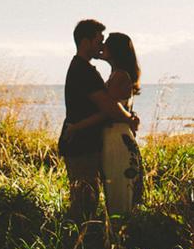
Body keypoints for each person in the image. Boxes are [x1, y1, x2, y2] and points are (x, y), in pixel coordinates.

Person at [59, 19, 138, 219]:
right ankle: (82, 241)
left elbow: (109, 108)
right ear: (86, 42)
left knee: (90, 196)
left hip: (86, 141)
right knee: (85, 199)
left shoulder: (84, 69)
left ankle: (90, 239)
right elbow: (109, 108)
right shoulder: (84, 70)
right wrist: (129, 117)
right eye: (99, 40)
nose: (102, 46)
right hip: (81, 143)